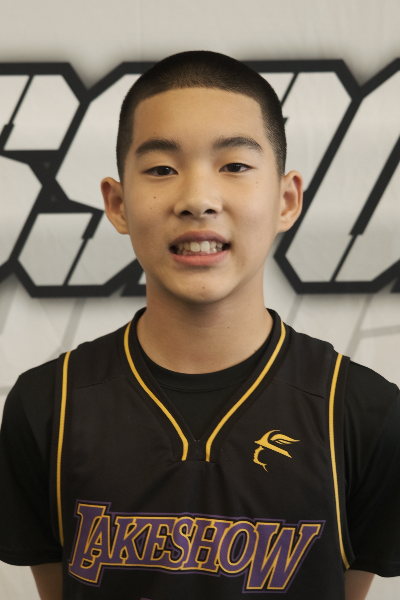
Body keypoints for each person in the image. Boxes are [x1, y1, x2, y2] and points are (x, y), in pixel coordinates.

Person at [0, 51, 399, 600]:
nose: (198, 200)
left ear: (286, 200)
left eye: (234, 165)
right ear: (118, 204)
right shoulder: (48, 406)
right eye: (162, 169)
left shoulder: (363, 413)